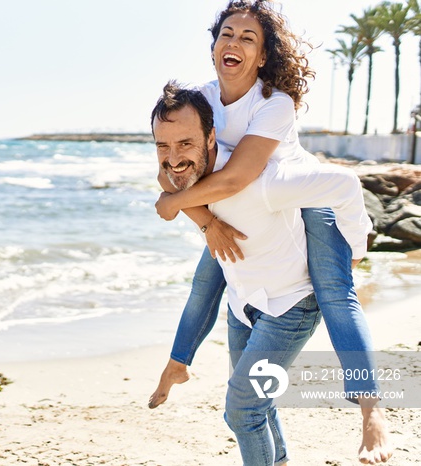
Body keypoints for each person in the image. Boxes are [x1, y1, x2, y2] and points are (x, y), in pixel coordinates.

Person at [147, 1, 391, 463]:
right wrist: (207, 221)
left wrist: (354, 244)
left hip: (297, 198)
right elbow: (170, 165)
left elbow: (240, 177)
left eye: (247, 37)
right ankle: (179, 363)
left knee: (336, 294)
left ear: (262, 56)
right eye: (226, 34)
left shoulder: (273, 104)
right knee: (208, 279)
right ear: (214, 45)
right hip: (237, 218)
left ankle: (371, 408)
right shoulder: (200, 99)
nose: (233, 43)